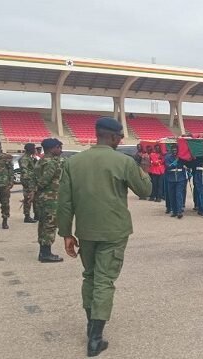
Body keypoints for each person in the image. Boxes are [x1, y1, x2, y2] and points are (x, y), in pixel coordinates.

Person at [58, 117, 151, 357]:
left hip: (86, 231)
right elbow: (145, 190)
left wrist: (66, 233)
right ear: (111, 136)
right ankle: (95, 338)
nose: (121, 141)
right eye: (120, 137)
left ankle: (92, 327)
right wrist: (145, 169)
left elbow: (64, 202)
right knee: (104, 280)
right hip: (114, 230)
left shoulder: (73, 162)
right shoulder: (124, 161)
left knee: (89, 276)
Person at [35, 138, 64, 263]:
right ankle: (46, 254)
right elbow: (45, 180)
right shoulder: (51, 162)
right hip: (50, 198)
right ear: (52, 148)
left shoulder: (41, 161)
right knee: (50, 225)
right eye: (59, 148)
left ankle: (43, 252)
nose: (60, 150)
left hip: (42, 197)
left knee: (43, 224)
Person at [19, 143, 39, 223]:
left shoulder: (29, 158)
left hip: (32, 181)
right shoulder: (24, 159)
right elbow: (25, 172)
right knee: (28, 199)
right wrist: (29, 183)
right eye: (34, 148)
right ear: (30, 149)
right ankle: (27, 216)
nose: (35, 150)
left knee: (35, 199)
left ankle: (36, 215)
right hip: (28, 182)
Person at [165, 146, 185, 219]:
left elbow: (186, 165)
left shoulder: (181, 157)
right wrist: (175, 161)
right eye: (173, 150)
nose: (174, 151)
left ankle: (179, 211)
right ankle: (174, 211)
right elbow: (168, 167)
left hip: (180, 178)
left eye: (176, 150)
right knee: (172, 195)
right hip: (171, 178)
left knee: (178, 194)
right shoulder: (167, 157)